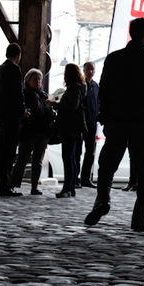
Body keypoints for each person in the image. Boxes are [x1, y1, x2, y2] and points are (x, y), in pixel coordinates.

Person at [85, 17, 144, 232]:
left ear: (131, 33)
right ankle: (139, 217)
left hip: (118, 120)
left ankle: (102, 200)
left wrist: (106, 115)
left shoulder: (114, 59)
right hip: (143, 122)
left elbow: (104, 91)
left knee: (107, 165)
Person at [10, 68, 52, 195]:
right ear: (28, 81)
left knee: (37, 160)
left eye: (39, 79)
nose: (38, 81)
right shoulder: (25, 94)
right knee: (22, 159)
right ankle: (13, 184)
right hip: (29, 131)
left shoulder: (43, 95)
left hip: (42, 132)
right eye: (35, 79)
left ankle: (34, 186)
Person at [0, 43, 26, 197]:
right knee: (9, 152)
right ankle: (6, 185)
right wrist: (22, 111)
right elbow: (18, 94)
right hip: (11, 116)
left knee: (2, 151)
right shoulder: (14, 69)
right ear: (18, 55)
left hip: (1, 115)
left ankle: (0, 184)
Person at [54, 63, 87, 198]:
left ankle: (67, 187)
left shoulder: (74, 89)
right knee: (71, 158)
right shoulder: (79, 88)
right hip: (75, 128)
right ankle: (70, 187)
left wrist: (57, 105)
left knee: (68, 158)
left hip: (70, 127)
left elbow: (72, 106)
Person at [75, 61, 99, 188]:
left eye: (92, 69)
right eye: (88, 69)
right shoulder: (80, 85)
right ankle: (76, 178)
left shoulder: (95, 86)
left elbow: (98, 103)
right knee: (77, 151)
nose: (90, 71)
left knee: (90, 152)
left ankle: (86, 178)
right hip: (81, 123)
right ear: (83, 71)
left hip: (92, 123)